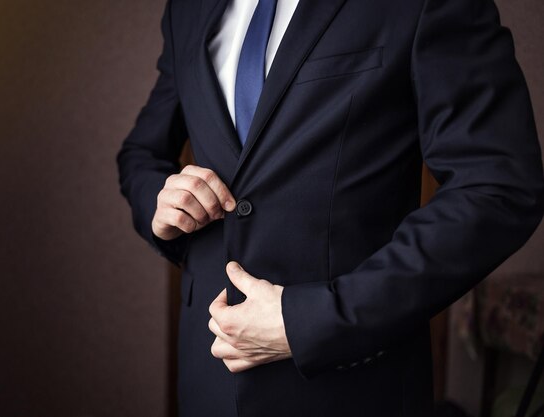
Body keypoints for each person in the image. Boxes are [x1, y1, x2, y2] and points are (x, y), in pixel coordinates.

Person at [116, 0, 544, 415]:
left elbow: (496, 186)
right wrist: (161, 199)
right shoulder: (186, 8)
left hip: (353, 382)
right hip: (205, 371)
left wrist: (313, 321)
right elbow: (140, 152)